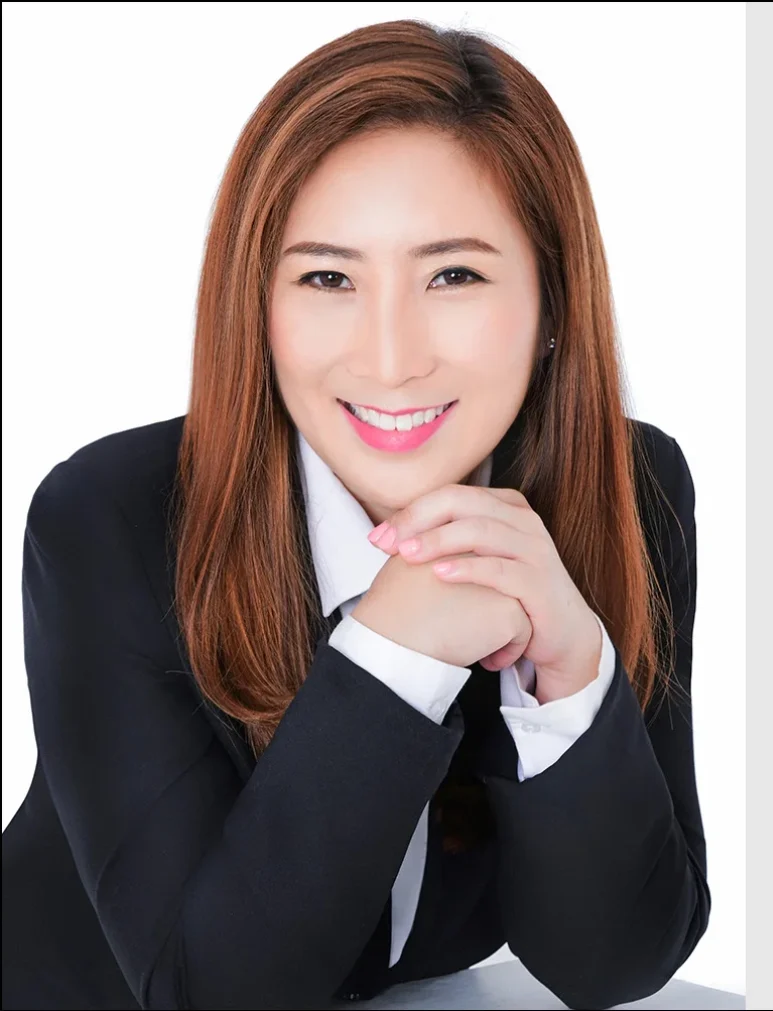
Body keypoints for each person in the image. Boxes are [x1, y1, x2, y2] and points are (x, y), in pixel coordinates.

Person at [2, 18, 710, 1011]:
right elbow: (207, 993)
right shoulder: (109, 516)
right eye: (327, 277)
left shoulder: (632, 487)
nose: (389, 357)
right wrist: (394, 654)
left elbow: (611, 963)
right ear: (259, 305)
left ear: (552, 301)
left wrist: (568, 670)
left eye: (453, 275)